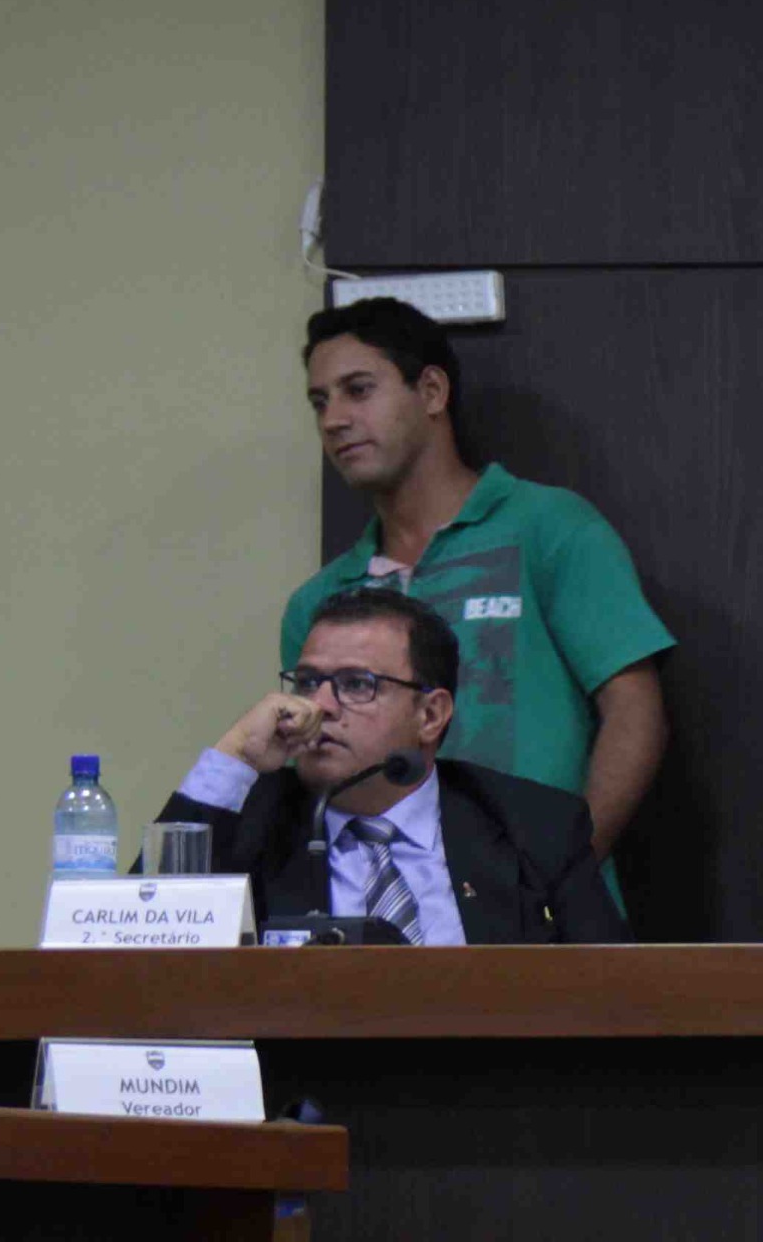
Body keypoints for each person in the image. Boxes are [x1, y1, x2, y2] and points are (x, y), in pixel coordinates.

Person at [285, 298, 674, 871]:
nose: (333, 419)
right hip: (380, 902)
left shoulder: (548, 528)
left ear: (432, 391)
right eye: (320, 402)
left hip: (539, 895)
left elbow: (635, 713)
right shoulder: (322, 601)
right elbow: (310, 765)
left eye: (358, 390)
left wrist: (561, 876)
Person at [159, 588, 628, 944]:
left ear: (430, 715)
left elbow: (610, 995)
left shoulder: (532, 826)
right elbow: (146, 941)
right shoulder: (252, 819)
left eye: (356, 684)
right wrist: (237, 753)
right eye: (308, 682)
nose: (319, 706)